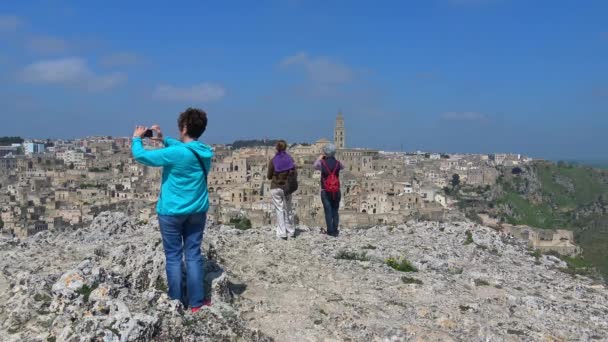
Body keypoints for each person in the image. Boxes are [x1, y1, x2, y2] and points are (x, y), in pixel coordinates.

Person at [131, 107, 213, 313]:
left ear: (184, 127)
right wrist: (162, 138)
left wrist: (137, 138)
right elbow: (185, 147)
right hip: (197, 211)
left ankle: (175, 300)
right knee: (193, 255)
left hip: (171, 212)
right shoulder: (205, 151)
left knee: (174, 257)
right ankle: (196, 303)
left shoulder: (176, 153)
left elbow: (142, 157)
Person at [267, 140, 297, 240]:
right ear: (285, 148)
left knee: (279, 210)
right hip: (287, 188)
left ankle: (282, 233)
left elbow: (269, 176)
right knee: (288, 209)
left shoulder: (273, 160)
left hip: (275, 187)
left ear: (277, 148)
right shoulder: (290, 159)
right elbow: (294, 173)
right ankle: (291, 231)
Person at [314, 144, 344, 237]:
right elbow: (343, 166)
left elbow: (315, 166)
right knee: (335, 210)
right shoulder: (338, 163)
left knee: (328, 211)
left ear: (326, 152)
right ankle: (335, 230)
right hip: (336, 190)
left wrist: (320, 157)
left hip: (325, 190)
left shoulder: (322, 163)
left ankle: (330, 231)